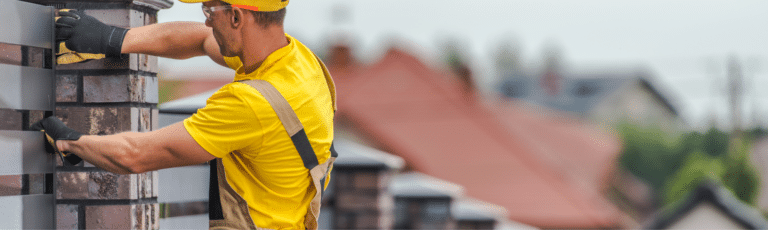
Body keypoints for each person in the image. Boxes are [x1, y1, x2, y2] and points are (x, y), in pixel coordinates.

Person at [33, 0, 337, 229]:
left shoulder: (251, 104)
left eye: (208, 12)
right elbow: (200, 41)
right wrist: (113, 38)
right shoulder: (301, 63)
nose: (206, 23)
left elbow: (136, 155)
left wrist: (69, 142)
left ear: (236, 16)